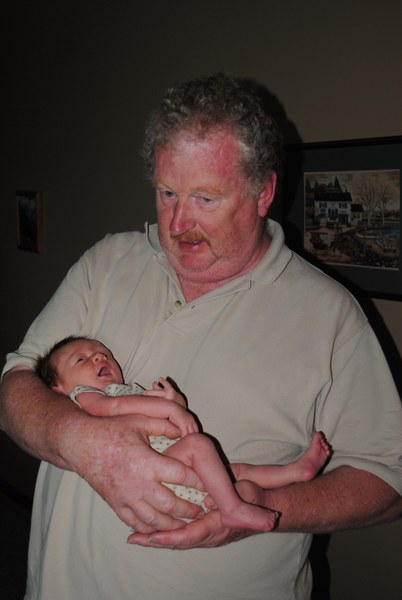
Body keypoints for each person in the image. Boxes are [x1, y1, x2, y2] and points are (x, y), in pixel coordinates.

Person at [1, 72, 402, 600]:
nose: (178, 223)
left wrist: (266, 507)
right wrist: (84, 443)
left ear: (263, 192)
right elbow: (15, 388)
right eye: (167, 193)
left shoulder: (332, 316)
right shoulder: (106, 262)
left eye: (206, 198)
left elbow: (388, 481)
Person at [34, 335, 331, 530]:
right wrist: (171, 409)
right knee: (200, 445)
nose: (98, 358)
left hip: (171, 464)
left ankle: (295, 472)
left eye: (103, 354)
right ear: (58, 388)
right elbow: (112, 408)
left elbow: (165, 418)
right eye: (81, 359)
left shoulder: (129, 389)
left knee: (236, 471)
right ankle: (232, 508)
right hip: (154, 472)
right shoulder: (83, 396)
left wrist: (175, 402)